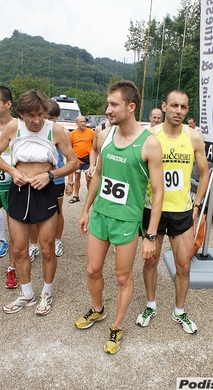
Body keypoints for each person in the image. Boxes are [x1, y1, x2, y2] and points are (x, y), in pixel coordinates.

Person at [75, 80, 164, 354]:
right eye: (108, 103)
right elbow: (99, 174)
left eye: (114, 104)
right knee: (92, 270)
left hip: (127, 220)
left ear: (131, 106)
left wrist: (150, 236)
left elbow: (159, 194)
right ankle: (98, 309)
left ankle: (116, 326)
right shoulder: (105, 135)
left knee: (123, 277)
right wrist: (85, 209)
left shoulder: (150, 144)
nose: (108, 109)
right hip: (101, 214)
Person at [136, 89, 209, 333]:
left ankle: (179, 310)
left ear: (187, 110)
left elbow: (205, 172)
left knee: (184, 266)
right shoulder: (150, 135)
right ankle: (150, 304)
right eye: (174, 105)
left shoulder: (194, 137)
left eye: (184, 107)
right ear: (164, 106)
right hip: (152, 210)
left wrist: (197, 205)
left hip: (181, 213)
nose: (179, 111)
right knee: (151, 262)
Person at [0, 89, 79, 315]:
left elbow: (73, 162)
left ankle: (46, 293)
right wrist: (12, 171)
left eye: (41, 115)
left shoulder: (56, 130)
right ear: (21, 114)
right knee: (20, 248)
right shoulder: (13, 128)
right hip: (19, 189)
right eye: (31, 115)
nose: (36, 120)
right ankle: (27, 294)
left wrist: (51, 175)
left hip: (45, 190)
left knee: (47, 249)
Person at [29, 99, 74, 259]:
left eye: (52, 119)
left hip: (57, 179)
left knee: (58, 212)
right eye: (46, 117)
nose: (48, 121)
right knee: (33, 212)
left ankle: (57, 240)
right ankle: (34, 244)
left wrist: (70, 182)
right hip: (37, 179)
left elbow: (71, 160)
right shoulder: (33, 131)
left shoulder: (63, 132)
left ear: (57, 118)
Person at [0, 86, 18, 289]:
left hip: (13, 186)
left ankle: (12, 269)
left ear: (8, 104)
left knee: (16, 231)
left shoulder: (19, 126)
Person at [69, 116, 94, 203]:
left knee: (88, 178)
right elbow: (69, 147)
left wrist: (93, 160)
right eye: (81, 122)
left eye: (84, 121)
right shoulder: (72, 134)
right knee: (77, 177)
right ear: (77, 123)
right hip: (77, 160)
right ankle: (76, 196)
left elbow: (95, 147)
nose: (83, 123)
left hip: (88, 160)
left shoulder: (91, 132)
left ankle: (90, 196)